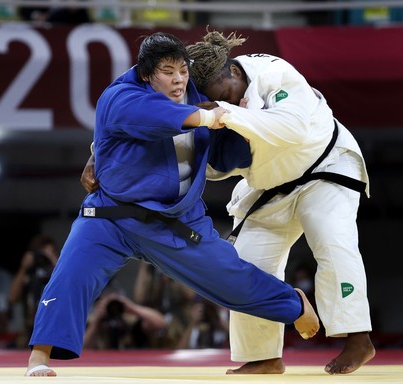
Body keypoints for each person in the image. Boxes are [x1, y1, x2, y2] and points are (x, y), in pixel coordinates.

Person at [25, 32, 320, 377]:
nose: (178, 79)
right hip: (111, 215)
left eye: (182, 70)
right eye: (167, 71)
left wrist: (246, 118)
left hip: (176, 220)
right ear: (146, 74)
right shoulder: (122, 96)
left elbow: (227, 129)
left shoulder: (194, 90)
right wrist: (213, 117)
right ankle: (39, 357)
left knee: (230, 280)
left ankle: (293, 304)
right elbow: (158, 117)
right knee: (71, 273)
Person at [185, 29, 375, 375]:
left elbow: (294, 129)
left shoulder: (275, 74)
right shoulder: (207, 104)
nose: (226, 101)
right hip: (271, 187)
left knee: (331, 239)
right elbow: (184, 151)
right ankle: (264, 356)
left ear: (235, 73)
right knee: (246, 266)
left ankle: (357, 338)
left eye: (226, 93)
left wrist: (224, 112)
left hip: (325, 167)